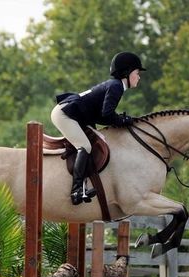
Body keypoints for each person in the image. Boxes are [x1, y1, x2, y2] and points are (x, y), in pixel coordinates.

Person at [51, 51, 146, 205]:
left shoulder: (115, 85)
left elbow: (102, 116)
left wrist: (122, 120)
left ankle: (81, 186)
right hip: (65, 113)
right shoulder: (116, 87)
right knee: (85, 146)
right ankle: (76, 191)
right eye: (137, 73)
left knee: (96, 142)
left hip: (75, 113)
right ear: (127, 73)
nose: (139, 76)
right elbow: (107, 115)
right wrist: (123, 120)